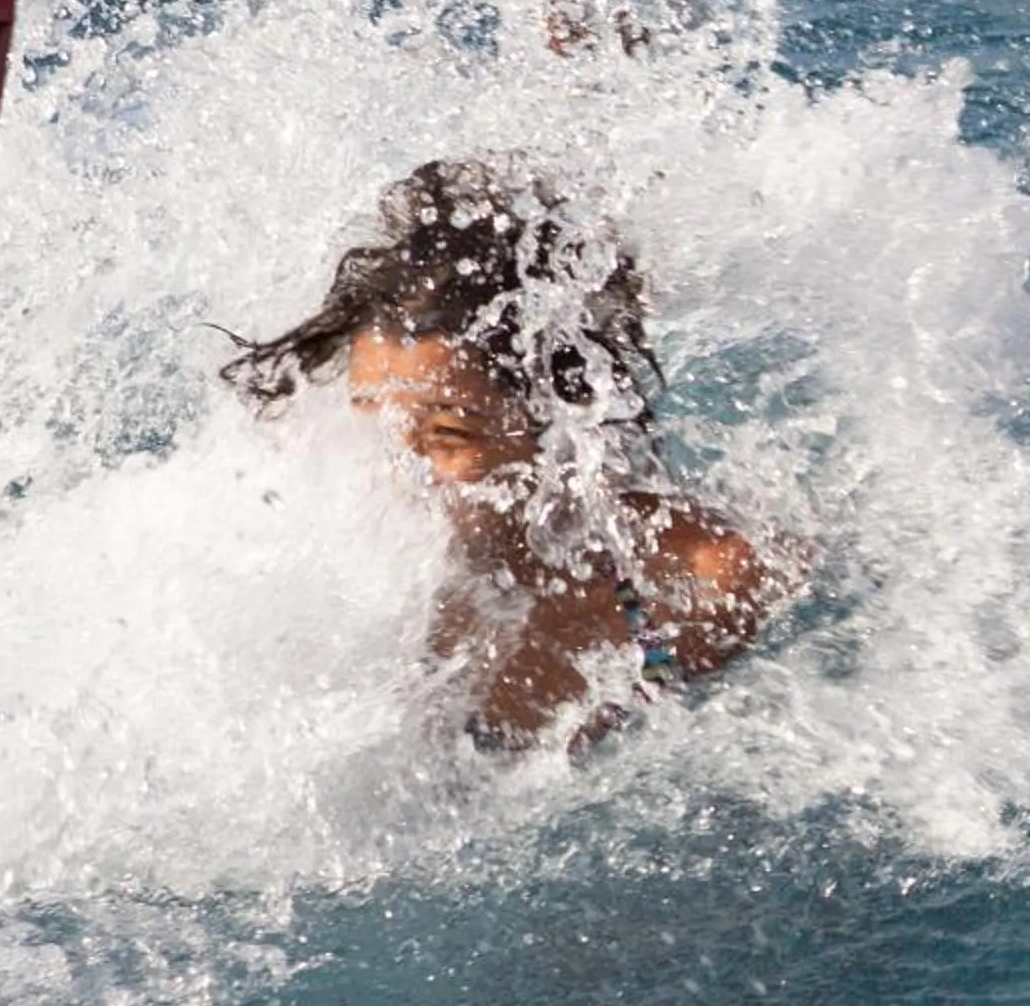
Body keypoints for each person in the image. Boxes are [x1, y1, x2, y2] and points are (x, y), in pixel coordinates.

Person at [222, 159, 774, 754]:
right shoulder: (313, 580)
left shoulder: (690, 580)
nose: (401, 470)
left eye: (447, 435)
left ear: (561, 418)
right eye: (376, 423)